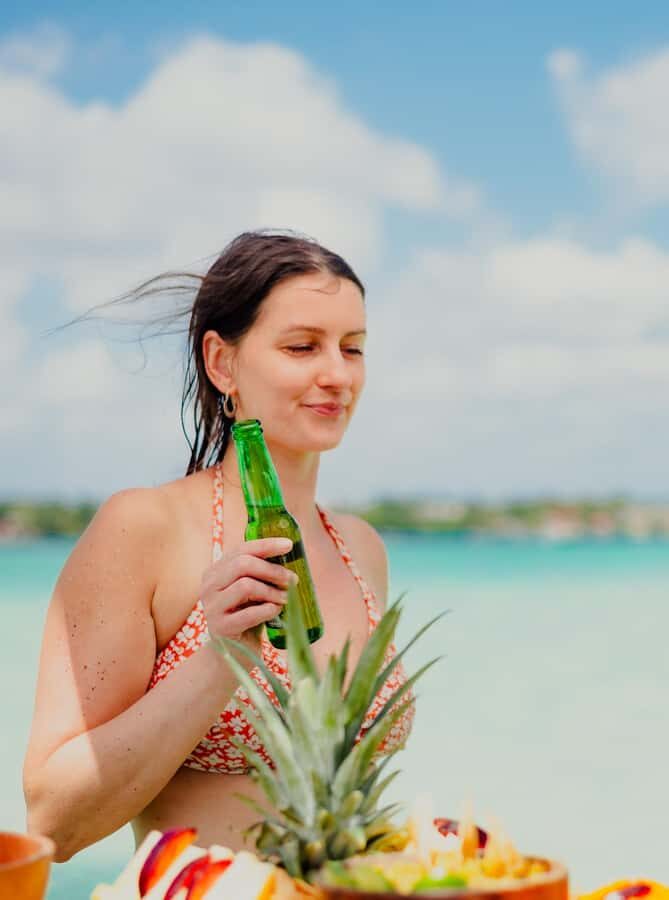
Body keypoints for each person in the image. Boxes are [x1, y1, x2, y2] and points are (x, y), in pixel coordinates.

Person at [22, 231, 415, 862]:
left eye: (353, 348)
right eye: (301, 346)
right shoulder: (142, 528)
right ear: (222, 362)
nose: (337, 374)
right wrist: (220, 656)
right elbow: (53, 822)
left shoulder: (361, 548)